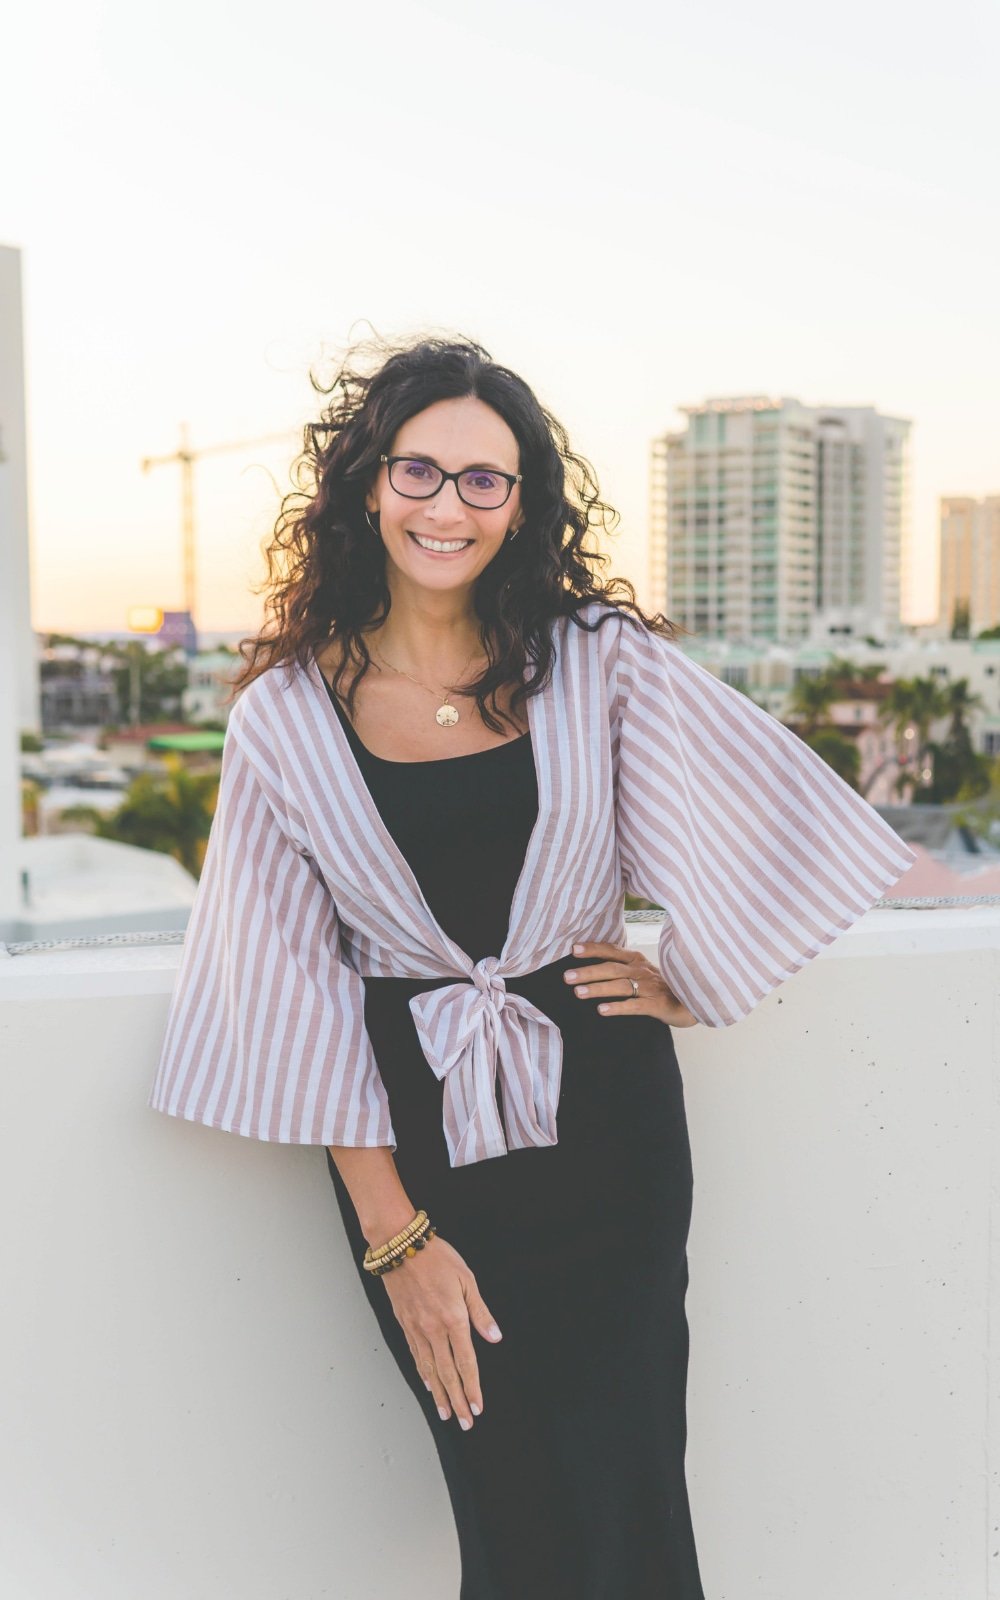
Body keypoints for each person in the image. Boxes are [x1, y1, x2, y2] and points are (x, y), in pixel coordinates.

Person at [148, 333, 915, 1599]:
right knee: (507, 1518)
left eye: (484, 479)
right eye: (420, 471)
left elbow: (769, 804)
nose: (448, 505)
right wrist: (399, 1240)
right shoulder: (282, 716)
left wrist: (691, 971)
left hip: (607, 1123)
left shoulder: (591, 657)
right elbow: (295, 996)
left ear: (523, 502)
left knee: (630, 1496)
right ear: (366, 484)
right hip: (422, 1149)